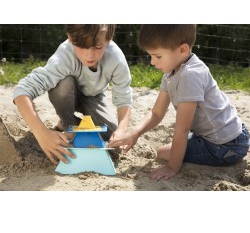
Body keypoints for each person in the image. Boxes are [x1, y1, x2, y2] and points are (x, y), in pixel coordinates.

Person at [108, 24, 250, 181]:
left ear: (182, 50)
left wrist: (172, 167)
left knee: (162, 153)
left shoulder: (190, 76)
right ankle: (241, 145)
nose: (152, 62)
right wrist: (135, 133)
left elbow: (182, 129)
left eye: (158, 56)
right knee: (170, 148)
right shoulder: (171, 71)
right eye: (150, 56)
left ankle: (238, 149)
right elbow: (156, 113)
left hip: (224, 145)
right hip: (229, 134)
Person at [13, 24, 132, 165]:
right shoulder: (64, 55)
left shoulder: (116, 58)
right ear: (70, 38)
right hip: (65, 93)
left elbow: (124, 99)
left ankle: (71, 125)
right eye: (82, 47)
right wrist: (42, 134)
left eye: (98, 47)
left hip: (94, 97)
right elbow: (21, 91)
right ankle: (68, 123)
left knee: (111, 135)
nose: (90, 55)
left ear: (108, 39)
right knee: (62, 84)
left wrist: (122, 129)